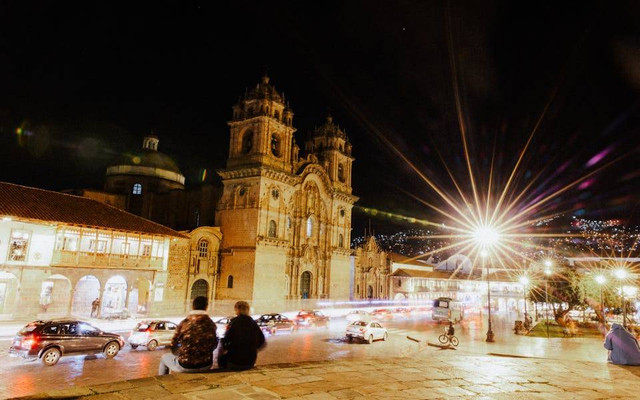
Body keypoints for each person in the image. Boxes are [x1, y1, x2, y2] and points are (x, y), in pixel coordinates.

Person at [157, 296, 217, 375]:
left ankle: (162, 383)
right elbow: (214, 344)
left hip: (186, 365)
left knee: (164, 358)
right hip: (206, 365)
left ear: (193, 307)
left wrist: (181, 354)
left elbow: (173, 344)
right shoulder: (211, 324)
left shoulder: (184, 323)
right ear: (206, 307)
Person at [218, 301, 265, 371]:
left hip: (235, 361)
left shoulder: (234, 323)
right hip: (250, 361)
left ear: (237, 310)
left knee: (221, 358)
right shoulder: (253, 323)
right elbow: (261, 340)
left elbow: (226, 341)